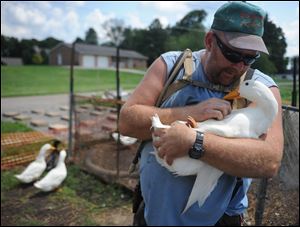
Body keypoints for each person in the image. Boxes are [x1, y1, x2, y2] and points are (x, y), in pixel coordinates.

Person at [119, 1, 284, 226]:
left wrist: (195, 142)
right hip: (153, 215)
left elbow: (269, 161)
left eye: (250, 58)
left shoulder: (261, 87)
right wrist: (188, 112)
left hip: (221, 220)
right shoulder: (171, 66)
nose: (240, 66)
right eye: (234, 54)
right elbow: (127, 122)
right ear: (209, 41)